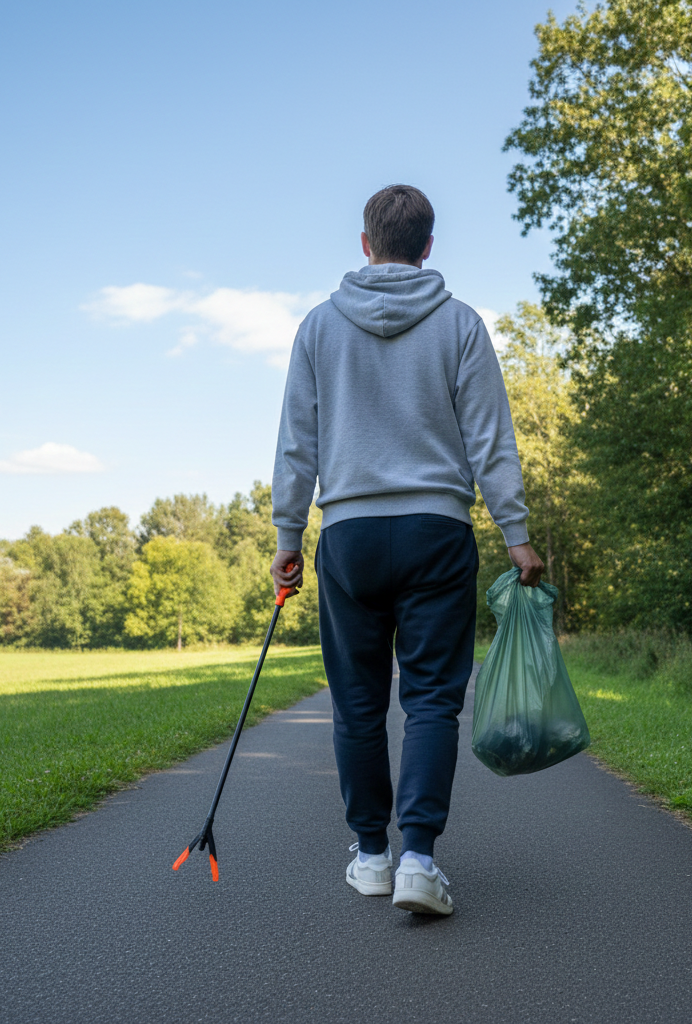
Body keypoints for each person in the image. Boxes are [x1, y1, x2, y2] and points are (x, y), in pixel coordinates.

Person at [270, 184, 543, 916]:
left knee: (358, 704)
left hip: (351, 536)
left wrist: (287, 538)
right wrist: (516, 536)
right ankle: (419, 858)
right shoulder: (459, 325)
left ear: (365, 244)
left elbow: (297, 446)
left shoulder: (319, 329)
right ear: (428, 248)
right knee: (430, 701)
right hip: (435, 531)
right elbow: (491, 441)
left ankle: (370, 855)